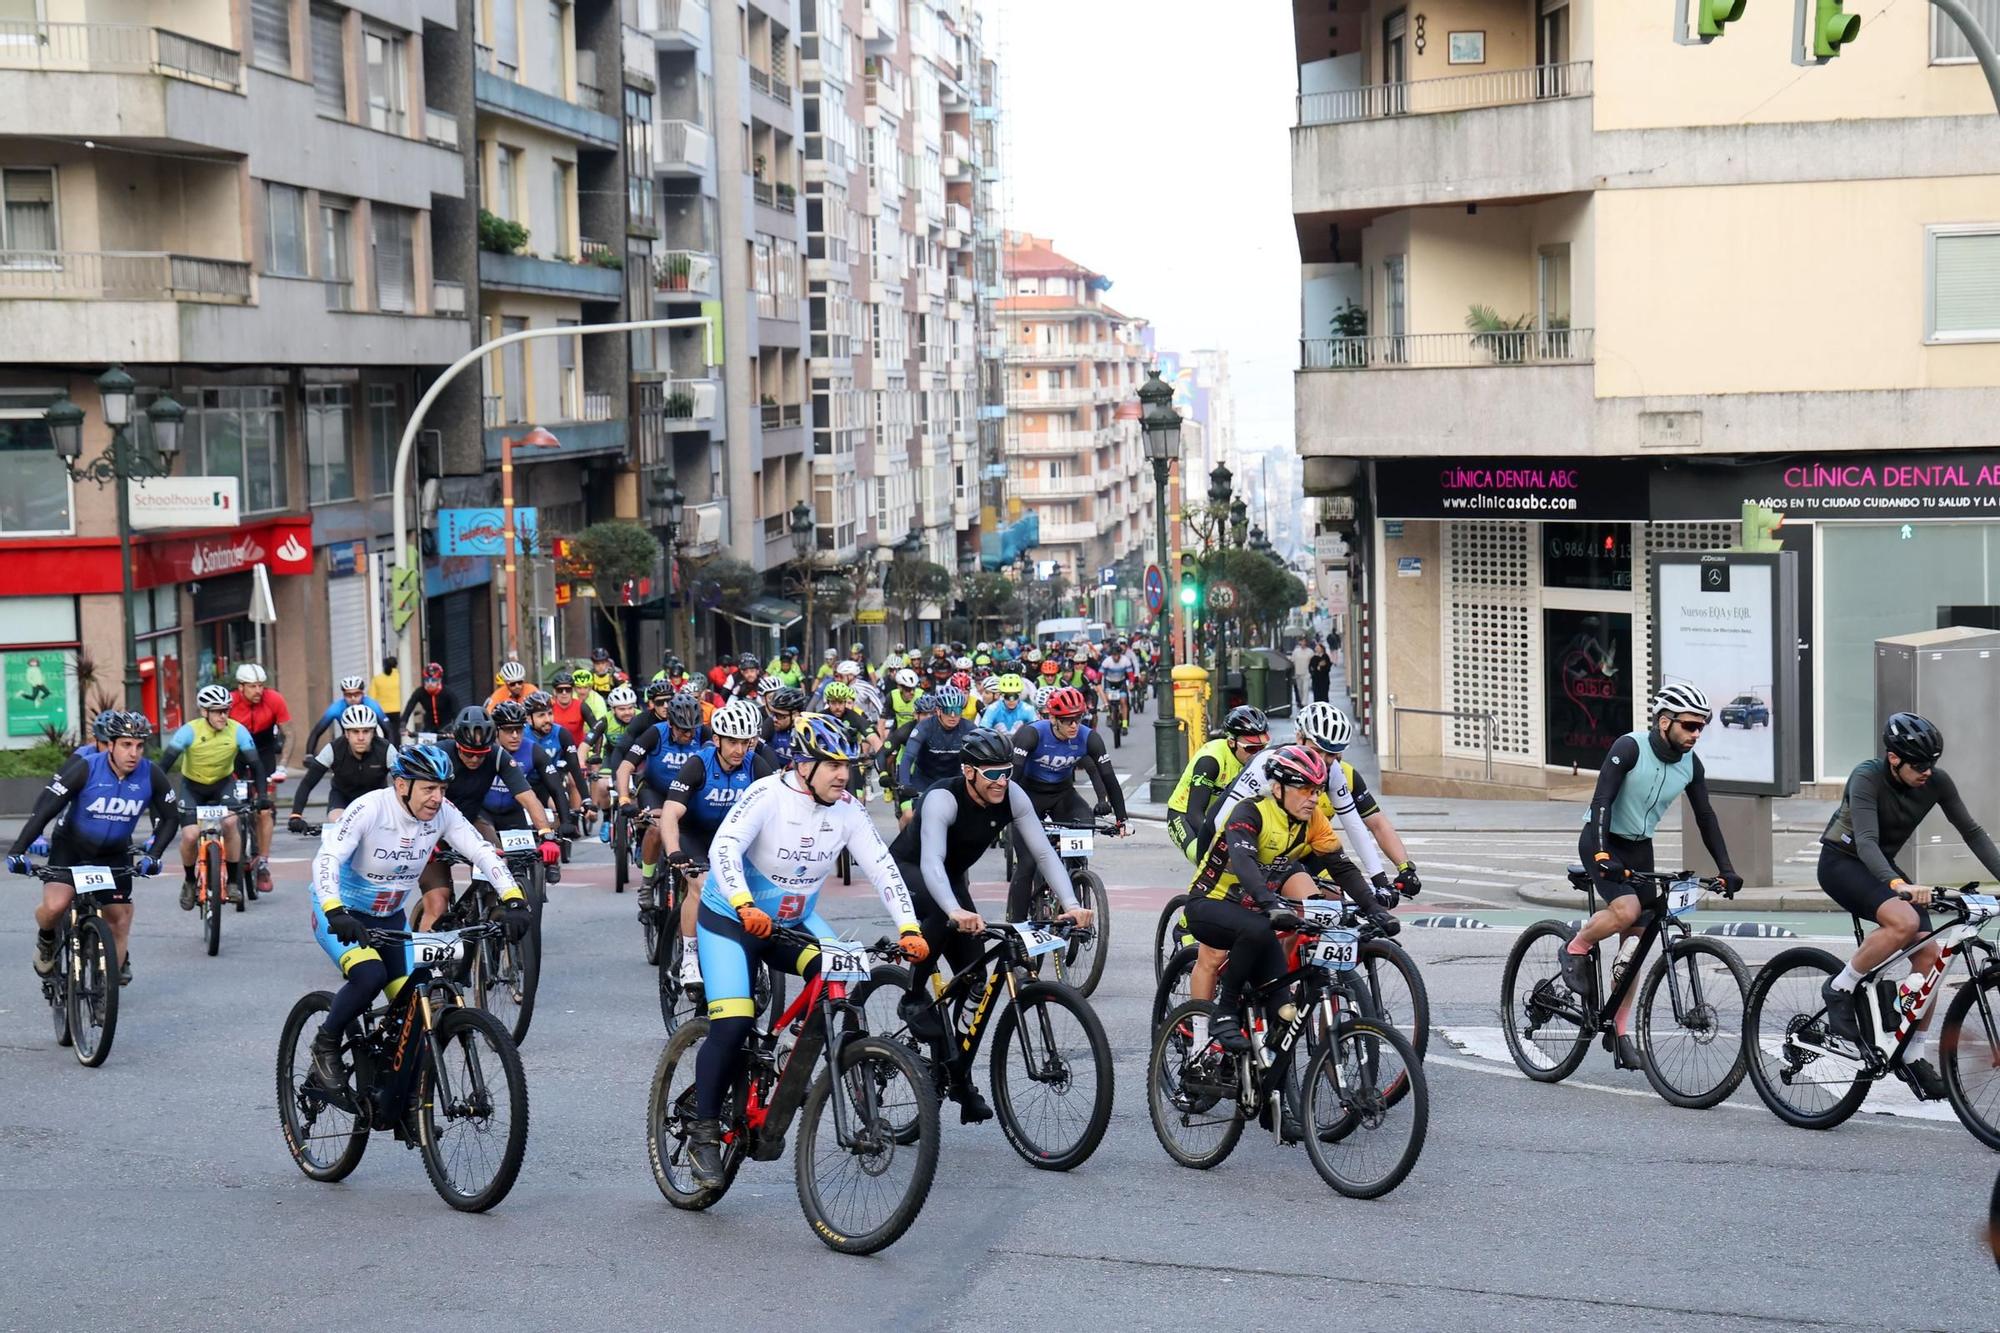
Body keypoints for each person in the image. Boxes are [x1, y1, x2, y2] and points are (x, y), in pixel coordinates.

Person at [683, 714, 929, 1186]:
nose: (844, 774)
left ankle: (812, 1057)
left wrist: (909, 927)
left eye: (848, 766)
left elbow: (882, 868)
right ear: (802, 765)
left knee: (841, 980)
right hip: (731, 921)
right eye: (833, 765)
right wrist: (742, 901)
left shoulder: (847, 809)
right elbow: (724, 850)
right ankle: (704, 1132)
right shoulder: (768, 795)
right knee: (733, 1020)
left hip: (792, 924)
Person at [886, 727, 1091, 1122]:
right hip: (910, 871)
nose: (1001, 781)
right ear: (969, 772)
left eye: (1006, 772)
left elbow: (1044, 854)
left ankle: (955, 1073)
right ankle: (912, 995)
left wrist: (1070, 904)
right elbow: (931, 863)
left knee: (976, 977)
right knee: (942, 919)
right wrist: (953, 910)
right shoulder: (943, 798)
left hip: (952, 878)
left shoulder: (1012, 795)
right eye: (992, 774)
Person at [304, 746, 530, 1095]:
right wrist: (335, 909)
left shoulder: (442, 813)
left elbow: (481, 850)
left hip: (390, 917)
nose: (437, 798)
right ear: (401, 785)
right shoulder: (369, 808)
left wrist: (513, 898)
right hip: (342, 913)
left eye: (442, 789)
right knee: (369, 977)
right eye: (429, 788)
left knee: (416, 1008)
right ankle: (326, 1042)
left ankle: (402, 1096)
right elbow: (328, 857)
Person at [1816, 712, 2000, 1091]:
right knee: (1904, 922)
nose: (1927, 772)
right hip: (1843, 861)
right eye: (1919, 765)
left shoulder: (1935, 782)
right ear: (1893, 758)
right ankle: (1840, 987)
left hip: (1883, 867)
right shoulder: (1866, 776)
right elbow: (1865, 841)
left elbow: (1973, 832)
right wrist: (1899, 884)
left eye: (1932, 764)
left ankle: (1912, 1055)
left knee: (1929, 957)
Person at [1568, 683, 1743, 1070]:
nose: (1696, 734)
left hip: (1639, 847)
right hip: (1602, 839)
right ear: (1665, 722)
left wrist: (1726, 869)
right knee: (1627, 909)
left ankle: (1620, 1030)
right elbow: (1602, 802)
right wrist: (1600, 852)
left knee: (1636, 947)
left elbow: (1705, 817)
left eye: (1701, 727)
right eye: (1690, 726)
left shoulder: (1690, 764)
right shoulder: (1629, 748)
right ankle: (1577, 947)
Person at [1182, 745, 1348, 1054]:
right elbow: (1244, 862)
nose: (1314, 797)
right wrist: (1271, 903)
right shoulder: (1251, 810)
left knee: (1282, 1017)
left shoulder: (1312, 821)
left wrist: (1373, 906)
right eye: (1305, 789)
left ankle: (1269, 1091)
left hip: (1257, 907)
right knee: (1233, 944)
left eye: (1318, 790)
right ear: (1278, 788)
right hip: (1212, 901)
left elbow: (1342, 866)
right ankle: (1221, 1015)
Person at [8, 710, 176, 986]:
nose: (133, 753)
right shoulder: (87, 768)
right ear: (110, 744)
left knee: (119, 918)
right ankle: (47, 939)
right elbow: (47, 809)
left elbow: (171, 818)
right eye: (126, 744)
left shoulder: (150, 774)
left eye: (139, 745)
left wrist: (154, 856)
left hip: (113, 854)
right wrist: (19, 849)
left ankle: (105, 989)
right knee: (55, 906)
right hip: (71, 848)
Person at [658, 699, 776, 988]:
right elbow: (670, 812)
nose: (739, 750)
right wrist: (674, 850)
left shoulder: (755, 764)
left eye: (745, 742)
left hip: (734, 839)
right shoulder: (697, 764)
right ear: (717, 740)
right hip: (694, 837)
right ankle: (688, 959)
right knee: (701, 885)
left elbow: (777, 807)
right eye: (732, 742)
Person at [412, 708, 561, 928]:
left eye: (480, 754)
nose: (474, 759)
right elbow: (415, 800)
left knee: (498, 865)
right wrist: (422, 837)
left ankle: (485, 918)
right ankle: (423, 961)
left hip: (470, 821)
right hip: (430, 826)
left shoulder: (498, 756)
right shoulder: (439, 754)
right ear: (456, 744)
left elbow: (528, 798)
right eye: (467, 753)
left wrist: (546, 835)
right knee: (438, 903)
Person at [1004, 685, 1129, 920]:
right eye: (1067, 720)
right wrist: (1006, 812)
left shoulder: (1088, 737)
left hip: (1062, 794)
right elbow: (1013, 779)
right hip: (1028, 795)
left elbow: (1108, 778)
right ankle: (1018, 931)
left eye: (1078, 718)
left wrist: (1122, 819)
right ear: (1053, 718)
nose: (1074, 725)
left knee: (1083, 828)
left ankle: (1073, 880)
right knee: (1028, 864)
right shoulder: (1032, 734)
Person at [163, 684, 268, 909]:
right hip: (192, 787)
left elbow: (257, 765)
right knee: (190, 836)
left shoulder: (238, 730)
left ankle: (231, 882)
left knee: (231, 823)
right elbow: (164, 765)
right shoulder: (189, 731)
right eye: (217, 711)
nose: (223, 715)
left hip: (223, 785)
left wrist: (263, 796)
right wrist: (158, 797)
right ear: (204, 712)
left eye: (226, 710)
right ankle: (190, 881)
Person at [614, 688, 711, 909]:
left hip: (688, 796)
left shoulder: (703, 734)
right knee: (657, 828)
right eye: (683, 730)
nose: (688, 735)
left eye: (692, 730)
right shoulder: (655, 733)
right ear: (670, 724)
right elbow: (625, 767)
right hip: (656, 791)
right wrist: (623, 799)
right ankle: (647, 883)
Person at [1166, 706, 1271, 862]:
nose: (1257, 754)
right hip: (1183, 815)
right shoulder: (1211, 761)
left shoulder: (1261, 761)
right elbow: (1194, 813)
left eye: (1262, 748)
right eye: (1252, 748)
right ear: (1231, 742)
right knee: (1206, 859)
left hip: (1220, 815)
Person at [288, 705, 396, 829]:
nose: (361, 738)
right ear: (346, 733)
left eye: (366, 731)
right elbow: (307, 783)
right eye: (355, 732)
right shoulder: (333, 749)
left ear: (373, 733)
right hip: (342, 799)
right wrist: (296, 815)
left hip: (377, 800)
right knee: (340, 824)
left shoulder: (386, 750)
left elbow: (403, 783)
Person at [230, 663, 291, 864]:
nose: (258, 691)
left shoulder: (274, 699)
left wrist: (282, 765)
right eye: (252, 686)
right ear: (241, 687)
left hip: (264, 751)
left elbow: (289, 734)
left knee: (265, 809)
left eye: (261, 686)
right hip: (237, 754)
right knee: (231, 806)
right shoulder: (229, 702)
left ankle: (263, 860)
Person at [896, 683, 972, 815]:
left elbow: (980, 760)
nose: (953, 715)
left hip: (954, 780)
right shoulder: (925, 727)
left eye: (957, 710)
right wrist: (904, 784)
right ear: (938, 711)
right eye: (948, 710)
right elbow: (908, 757)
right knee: (910, 816)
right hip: (924, 780)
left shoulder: (969, 728)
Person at [587, 683, 642, 839]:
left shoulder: (641, 717)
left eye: (630, 708)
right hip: (612, 757)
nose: (627, 712)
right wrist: (581, 760)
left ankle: (639, 834)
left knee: (637, 794)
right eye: (622, 709)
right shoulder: (605, 720)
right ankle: (606, 818)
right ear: (613, 709)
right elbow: (587, 742)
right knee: (603, 785)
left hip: (636, 757)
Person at [304, 676, 390, 755]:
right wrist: (309, 754)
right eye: (348, 695)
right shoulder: (336, 707)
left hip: (371, 743)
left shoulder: (372, 705)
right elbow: (316, 732)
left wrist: (389, 752)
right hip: (347, 744)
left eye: (356, 694)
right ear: (343, 695)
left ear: (363, 694)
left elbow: (388, 730)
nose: (353, 698)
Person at [400, 662, 460, 741]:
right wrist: (403, 724)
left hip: (446, 728)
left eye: (433, 680)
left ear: (439, 680)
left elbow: (457, 712)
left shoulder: (448, 693)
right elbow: (409, 707)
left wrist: (455, 729)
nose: (430, 683)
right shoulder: (420, 692)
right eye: (427, 680)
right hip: (428, 729)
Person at [369, 656, 402, 744]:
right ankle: (396, 751)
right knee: (396, 734)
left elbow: (371, 697)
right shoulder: (400, 677)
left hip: (382, 711)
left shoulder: (377, 679)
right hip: (397, 710)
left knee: (387, 733)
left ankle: (387, 749)